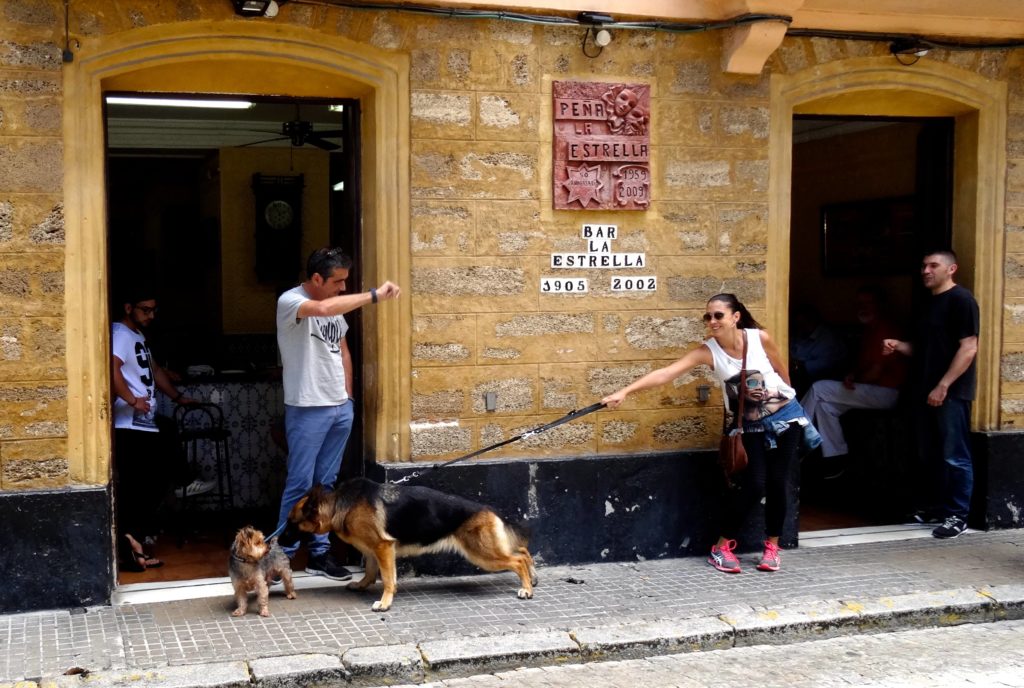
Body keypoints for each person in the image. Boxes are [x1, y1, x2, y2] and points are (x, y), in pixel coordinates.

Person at [602, 293, 820, 574]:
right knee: (754, 485)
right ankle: (722, 547)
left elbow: (781, 370)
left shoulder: (759, 338)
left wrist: (790, 404)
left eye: (718, 315)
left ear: (735, 317)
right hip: (749, 423)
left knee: (779, 482)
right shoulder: (708, 351)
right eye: (708, 316)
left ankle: (772, 547)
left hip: (786, 417)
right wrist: (624, 392)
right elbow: (666, 373)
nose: (712, 321)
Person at [274, 247, 400, 579]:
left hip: (338, 408)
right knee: (300, 484)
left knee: (326, 486)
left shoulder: (335, 310)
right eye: (337, 281)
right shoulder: (291, 301)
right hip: (307, 408)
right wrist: (374, 295)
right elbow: (323, 307)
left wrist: (348, 398)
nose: (343, 288)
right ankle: (281, 557)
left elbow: (342, 350)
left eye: (346, 281)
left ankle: (319, 554)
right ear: (316, 279)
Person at [111, 288, 212, 571]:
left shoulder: (138, 336)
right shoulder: (119, 333)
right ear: (129, 307)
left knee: (149, 484)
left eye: (154, 310)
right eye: (145, 310)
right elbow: (112, 367)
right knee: (140, 486)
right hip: (128, 423)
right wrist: (131, 400)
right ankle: (132, 544)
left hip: (143, 423)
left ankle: (135, 543)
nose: (151, 315)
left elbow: (155, 370)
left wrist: (178, 397)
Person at [882, 250, 979, 539]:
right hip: (923, 390)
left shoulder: (962, 300)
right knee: (930, 452)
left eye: (933, 266)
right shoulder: (927, 303)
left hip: (950, 392)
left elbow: (969, 347)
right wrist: (898, 345)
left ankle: (958, 516)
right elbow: (923, 350)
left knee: (955, 455)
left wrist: (944, 385)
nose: (926, 270)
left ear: (951, 269)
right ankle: (934, 507)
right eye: (923, 265)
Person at [800, 286, 907, 479]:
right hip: (871, 389)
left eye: (868, 303)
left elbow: (875, 373)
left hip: (887, 392)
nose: (863, 307)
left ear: (880, 305)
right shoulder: (869, 330)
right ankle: (836, 457)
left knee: (819, 388)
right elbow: (863, 367)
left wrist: (855, 379)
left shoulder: (885, 328)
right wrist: (851, 376)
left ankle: (793, 438)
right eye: (859, 304)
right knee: (826, 406)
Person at [789, 304, 848, 395]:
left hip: (825, 379)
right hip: (803, 376)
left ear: (811, 321)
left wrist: (797, 364)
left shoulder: (827, 338)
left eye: (802, 323)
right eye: (797, 323)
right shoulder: (800, 334)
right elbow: (794, 353)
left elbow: (822, 365)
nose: (799, 327)